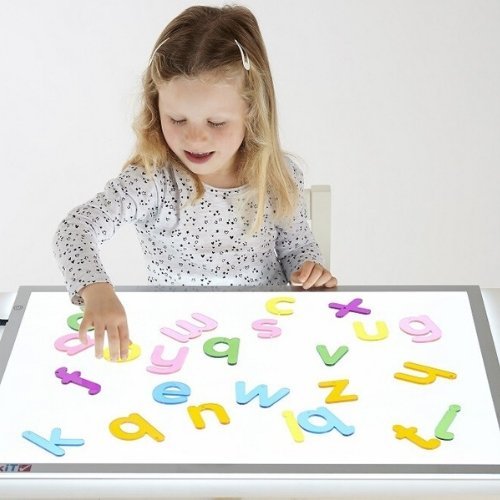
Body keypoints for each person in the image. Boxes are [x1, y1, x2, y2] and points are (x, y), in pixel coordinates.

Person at [53, 5, 337, 362]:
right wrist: (96, 290)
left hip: (265, 341)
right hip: (177, 347)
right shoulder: (151, 181)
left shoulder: (277, 175)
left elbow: (296, 249)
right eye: (177, 119)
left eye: (216, 122)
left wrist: (309, 272)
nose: (195, 138)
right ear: (156, 108)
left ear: (252, 112)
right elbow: (74, 229)